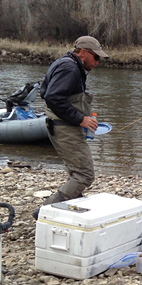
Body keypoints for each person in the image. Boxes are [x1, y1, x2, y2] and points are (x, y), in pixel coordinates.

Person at [33, 36, 109, 219]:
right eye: (96, 57)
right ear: (83, 53)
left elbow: (47, 93)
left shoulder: (64, 63)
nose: (98, 62)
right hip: (64, 128)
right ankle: (46, 211)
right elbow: (52, 97)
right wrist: (80, 118)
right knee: (84, 175)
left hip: (61, 125)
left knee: (76, 171)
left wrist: (81, 117)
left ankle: (72, 208)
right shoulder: (70, 68)